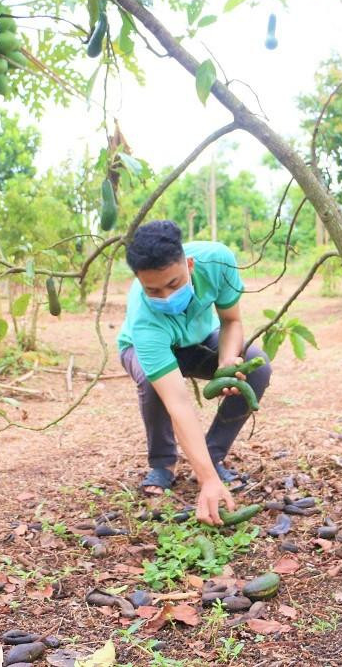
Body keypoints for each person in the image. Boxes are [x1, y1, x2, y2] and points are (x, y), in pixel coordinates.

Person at [118, 220, 271, 525]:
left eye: (173, 285)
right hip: (144, 348)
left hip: (200, 340)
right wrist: (207, 482)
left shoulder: (217, 261)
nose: (164, 297)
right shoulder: (145, 321)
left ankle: (212, 454)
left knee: (257, 364)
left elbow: (231, 320)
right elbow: (179, 404)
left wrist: (228, 359)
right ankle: (163, 464)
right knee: (154, 383)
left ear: (188, 264)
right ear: (138, 281)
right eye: (153, 290)